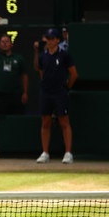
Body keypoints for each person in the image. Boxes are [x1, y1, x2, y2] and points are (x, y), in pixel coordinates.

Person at [35, 28, 78, 164]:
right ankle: (45, 152)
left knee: (64, 122)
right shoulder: (43, 56)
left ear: (57, 40)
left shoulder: (64, 55)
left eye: (52, 38)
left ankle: (68, 153)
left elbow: (74, 74)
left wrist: (66, 88)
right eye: (48, 38)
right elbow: (41, 72)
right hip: (46, 92)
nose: (50, 40)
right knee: (45, 122)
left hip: (60, 93)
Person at [0, 15, 29, 116]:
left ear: (11, 44)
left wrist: (25, 92)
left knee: (17, 119)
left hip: (16, 94)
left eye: (7, 41)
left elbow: (24, 75)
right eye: (2, 42)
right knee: (1, 120)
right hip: (0, 95)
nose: (4, 43)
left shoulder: (18, 58)